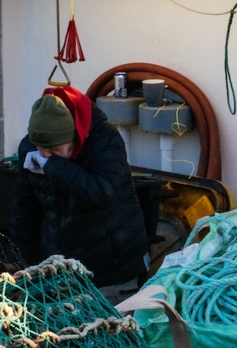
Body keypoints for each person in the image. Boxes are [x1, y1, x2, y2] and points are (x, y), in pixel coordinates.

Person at [9, 84, 148, 296]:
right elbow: (24, 212)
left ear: (75, 137)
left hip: (114, 269)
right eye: (39, 149)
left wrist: (54, 166)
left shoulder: (106, 140)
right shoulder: (29, 150)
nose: (44, 156)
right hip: (61, 269)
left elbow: (102, 194)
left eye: (54, 150)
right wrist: (20, 267)